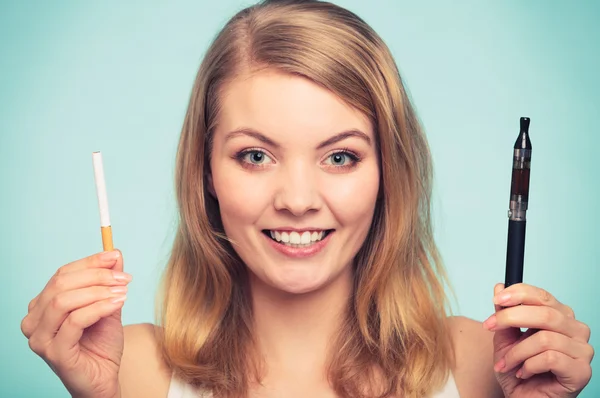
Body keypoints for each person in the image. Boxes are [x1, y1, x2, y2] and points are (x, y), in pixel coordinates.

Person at [21, 1, 593, 397]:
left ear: (389, 172)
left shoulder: (480, 366)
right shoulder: (130, 371)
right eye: (255, 156)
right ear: (206, 173)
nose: (297, 200)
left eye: (340, 157)